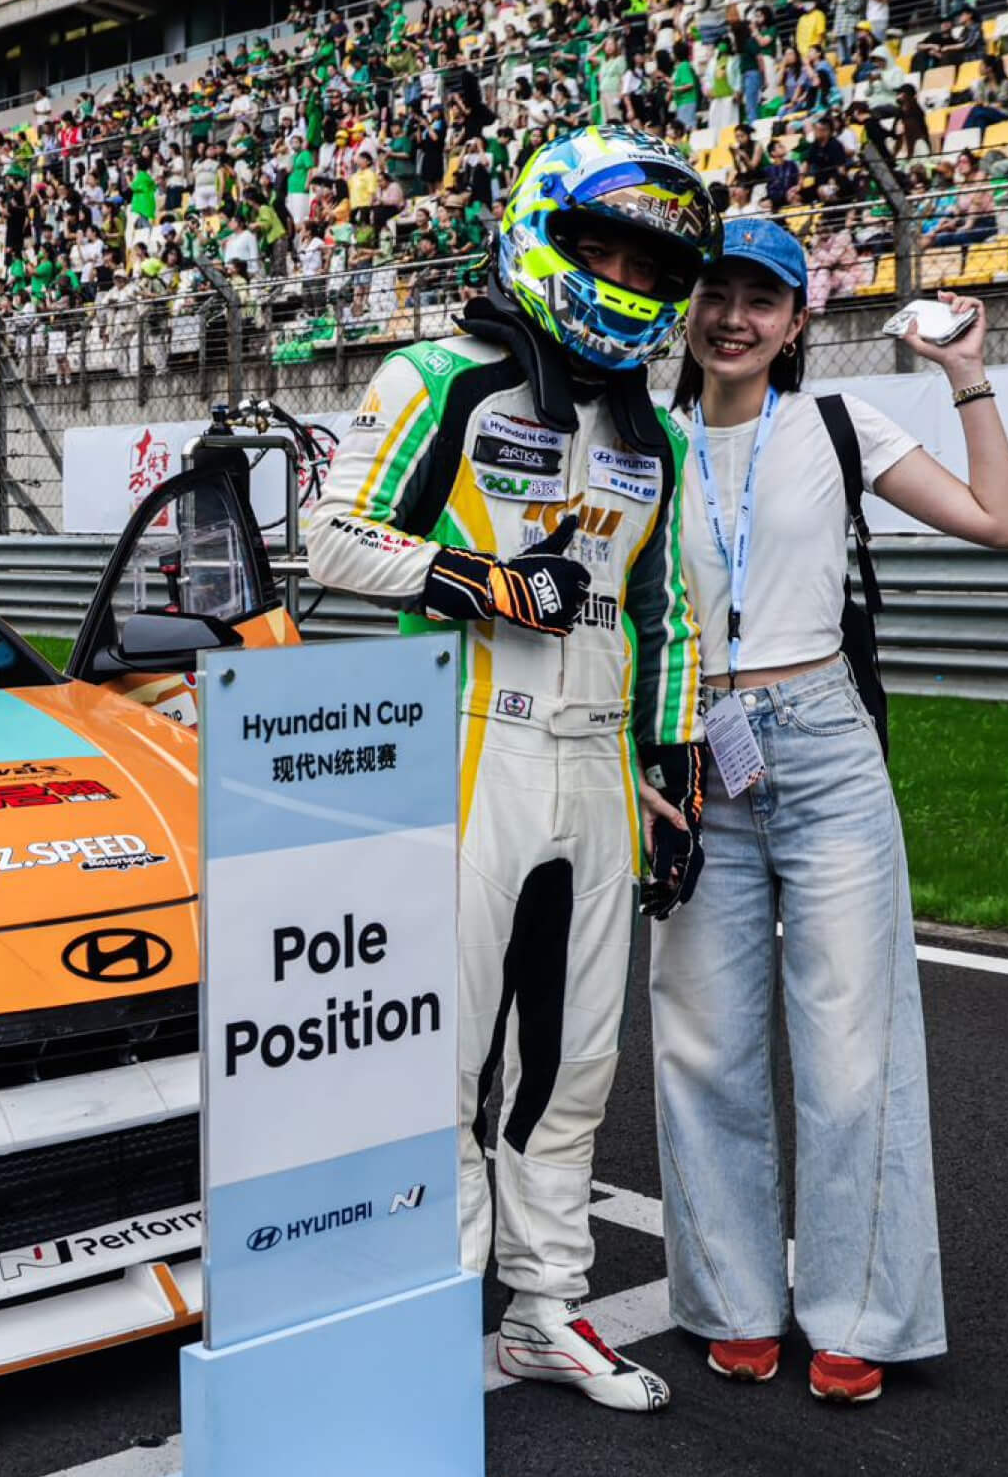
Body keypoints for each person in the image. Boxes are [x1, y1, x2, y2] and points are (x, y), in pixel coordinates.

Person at [306, 127, 716, 1414]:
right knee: (442, 1057)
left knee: (574, 1063)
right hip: (464, 750)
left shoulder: (658, 435)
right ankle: (431, 1308)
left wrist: (675, 761)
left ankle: (546, 1310)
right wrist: (480, 580)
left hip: (596, 768)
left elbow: (668, 614)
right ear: (543, 235)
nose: (628, 281)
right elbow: (330, 537)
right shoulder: (438, 378)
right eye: (605, 252)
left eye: (653, 267)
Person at [648, 219, 1008, 1407]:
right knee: (704, 1046)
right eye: (716, 293)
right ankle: (732, 1302)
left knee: (854, 1054)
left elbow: (999, 521)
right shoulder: (644, 440)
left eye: (761, 300)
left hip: (823, 747)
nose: (734, 318)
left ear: (797, 322)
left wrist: (968, 378)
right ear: (688, 306)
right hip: (695, 757)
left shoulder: (838, 423)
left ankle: (859, 1314)